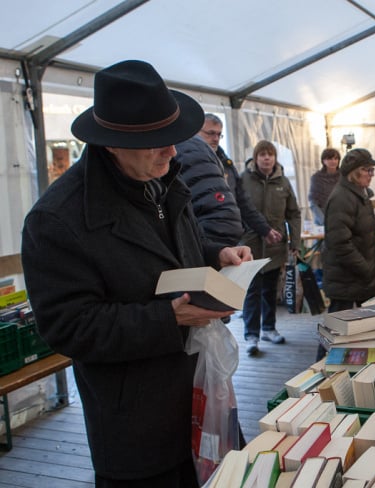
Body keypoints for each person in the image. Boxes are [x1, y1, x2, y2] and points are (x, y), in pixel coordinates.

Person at [21, 60, 252, 487]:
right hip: (136, 422)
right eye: (155, 143)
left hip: (201, 393)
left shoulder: (160, 179)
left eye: (172, 139)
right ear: (112, 144)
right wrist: (167, 319)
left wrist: (216, 254)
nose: (171, 151)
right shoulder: (57, 220)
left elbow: (172, 248)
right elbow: (67, 326)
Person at [319, 148, 375, 359]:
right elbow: (340, 243)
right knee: (336, 331)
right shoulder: (341, 198)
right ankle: (319, 372)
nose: (371, 174)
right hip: (347, 278)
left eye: (372, 170)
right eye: (368, 170)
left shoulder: (360, 195)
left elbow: (362, 235)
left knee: (364, 326)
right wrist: (366, 269)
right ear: (354, 172)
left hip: (361, 275)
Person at [239, 140, 302, 354]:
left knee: (270, 290)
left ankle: (269, 328)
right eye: (262, 154)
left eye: (270, 154)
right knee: (252, 291)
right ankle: (251, 335)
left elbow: (293, 213)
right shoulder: (243, 180)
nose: (267, 158)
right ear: (255, 158)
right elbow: (234, 209)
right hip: (250, 246)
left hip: (275, 246)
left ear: (275, 158)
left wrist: (295, 241)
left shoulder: (283, 182)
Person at [198, 113, 281, 245]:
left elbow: (243, 202)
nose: (216, 139)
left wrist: (264, 229)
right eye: (211, 133)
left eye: (219, 135)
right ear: (197, 132)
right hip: (201, 239)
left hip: (229, 239)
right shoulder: (187, 162)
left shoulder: (227, 166)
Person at [308, 147, 341, 226]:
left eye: (336, 158)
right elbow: (313, 203)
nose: (333, 161)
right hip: (323, 217)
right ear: (323, 161)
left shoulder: (344, 177)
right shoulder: (317, 178)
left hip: (342, 217)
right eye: (329, 159)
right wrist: (324, 221)